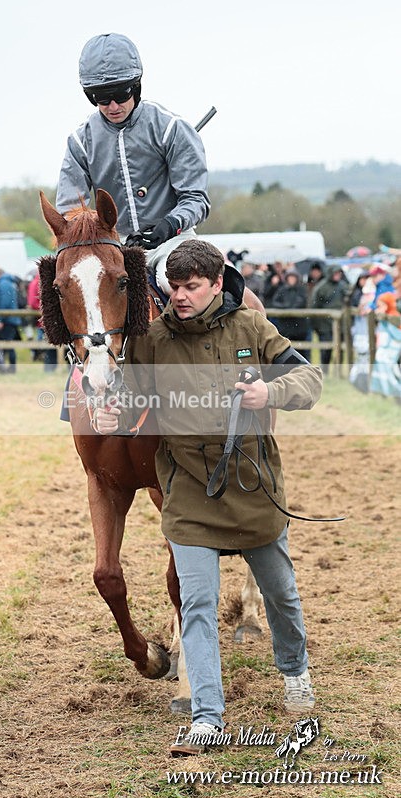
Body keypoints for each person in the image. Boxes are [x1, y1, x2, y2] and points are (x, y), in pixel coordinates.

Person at [94, 240, 322, 757]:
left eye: (192, 287)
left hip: (252, 488)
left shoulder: (251, 328)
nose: (180, 297)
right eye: (174, 287)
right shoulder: (151, 340)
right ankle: (207, 717)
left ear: (217, 284)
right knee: (197, 602)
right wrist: (114, 417)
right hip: (189, 494)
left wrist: (273, 392)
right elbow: (129, 399)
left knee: (282, 594)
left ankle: (295, 672)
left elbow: (309, 377)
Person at [56, 32, 210, 295]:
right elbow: (70, 211)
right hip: (111, 248)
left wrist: (170, 225)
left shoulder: (171, 128)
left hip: (172, 243)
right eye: (101, 98)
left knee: (177, 284)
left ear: (136, 86)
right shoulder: (80, 142)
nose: (113, 105)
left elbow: (196, 199)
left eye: (120, 94)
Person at [310, 265, 348, 374]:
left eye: (339, 273)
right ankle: (325, 372)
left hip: (340, 323)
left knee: (341, 348)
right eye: (335, 273)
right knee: (326, 349)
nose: (337, 276)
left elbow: (348, 301)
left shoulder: (343, 286)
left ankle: (339, 372)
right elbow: (314, 306)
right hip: (325, 324)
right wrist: (316, 326)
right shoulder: (321, 287)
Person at [0, 266, 22, 373]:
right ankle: (9, 368)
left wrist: (0, 319)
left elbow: (4, 303)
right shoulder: (8, 283)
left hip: (7, 319)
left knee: (8, 344)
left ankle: (11, 368)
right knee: (8, 344)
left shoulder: (3, 284)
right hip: (10, 319)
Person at [271, 268, 310, 360]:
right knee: (287, 349)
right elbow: (275, 302)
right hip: (286, 325)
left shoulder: (301, 289)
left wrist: (291, 307)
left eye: (293, 277)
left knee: (302, 350)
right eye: (290, 277)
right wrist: (285, 307)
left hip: (299, 325)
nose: (292, 280)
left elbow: (302, 302)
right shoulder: (282, 290)